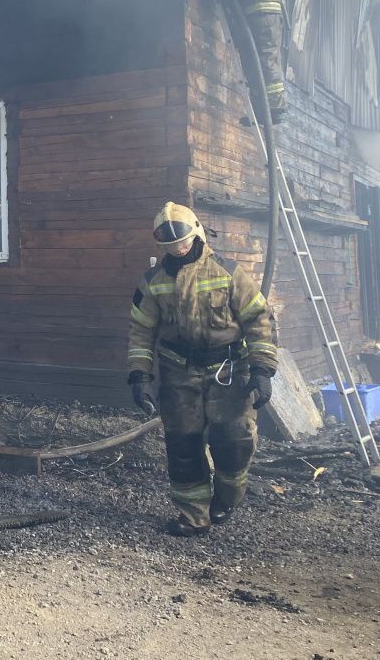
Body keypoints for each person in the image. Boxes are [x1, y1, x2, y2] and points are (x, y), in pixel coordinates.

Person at [126, 203, 277, 536]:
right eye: (168, 244)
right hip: (179, 374)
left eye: (181, 241)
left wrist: (262, 370)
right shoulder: (153, 281)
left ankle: (225, 499)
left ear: (195, 233)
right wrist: (140, 375)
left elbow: (258, 320)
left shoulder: (227, 273)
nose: (176, 248)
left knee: (234, 441)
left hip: (228, 371)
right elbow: (141, 331)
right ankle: (194, 516)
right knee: (183, 446)